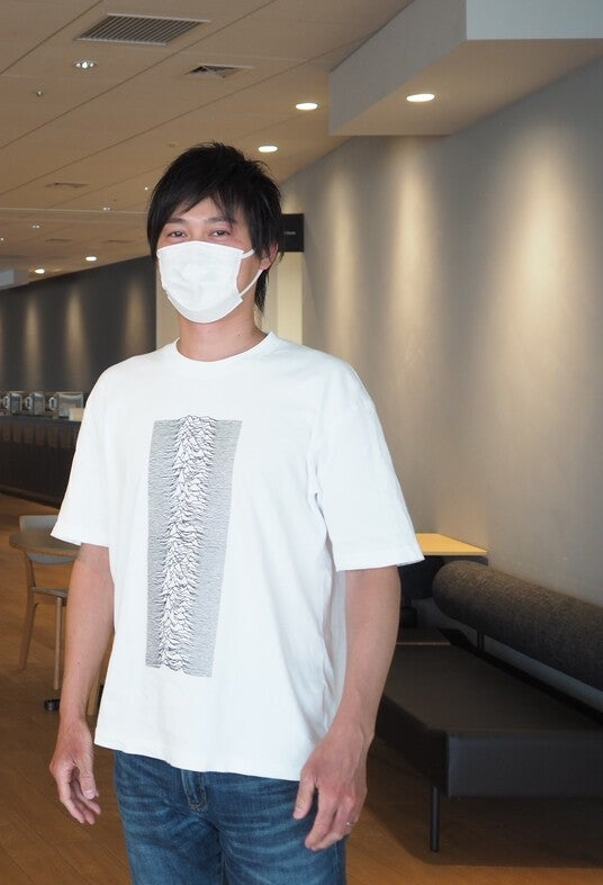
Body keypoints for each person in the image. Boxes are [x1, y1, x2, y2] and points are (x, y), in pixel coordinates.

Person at [48, 143, 421, 885]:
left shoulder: (323, 389)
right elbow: (96, 564)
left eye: (219, 232)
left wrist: (353, 733)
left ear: (266, 252)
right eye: (176, 232)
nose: (194, 251)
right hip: (146, 755)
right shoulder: (119, 391)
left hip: (282, 759)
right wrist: (72, 718)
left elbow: (372, 572)